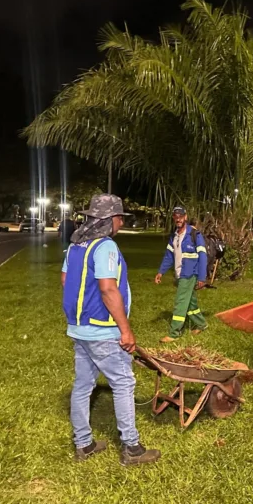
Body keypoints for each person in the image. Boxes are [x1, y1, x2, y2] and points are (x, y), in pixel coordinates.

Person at [61, 194, 160, 466]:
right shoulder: (105, 247)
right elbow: (107, 288)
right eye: (119, 218)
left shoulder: (75, 247)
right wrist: (125, 330)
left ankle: (84, 444)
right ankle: (132, 449)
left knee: (83, 386)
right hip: (103, 331)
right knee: (123, 383)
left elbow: (65, 280)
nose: (120, 222)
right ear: (109, 221)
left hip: (79, 329)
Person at [154, 206, 208, 343]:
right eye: (175, 217)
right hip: (179, 274)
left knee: (180, 303)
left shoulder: (195, 235)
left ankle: (174, 333)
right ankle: (202, 324)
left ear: (185, 217)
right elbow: (168, 256)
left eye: (180, 216)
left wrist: (202, 277)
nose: (178, 219)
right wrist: (161, 272)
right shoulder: (174, 235)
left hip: (189, 274)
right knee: (190, 303)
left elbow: (203, 257)